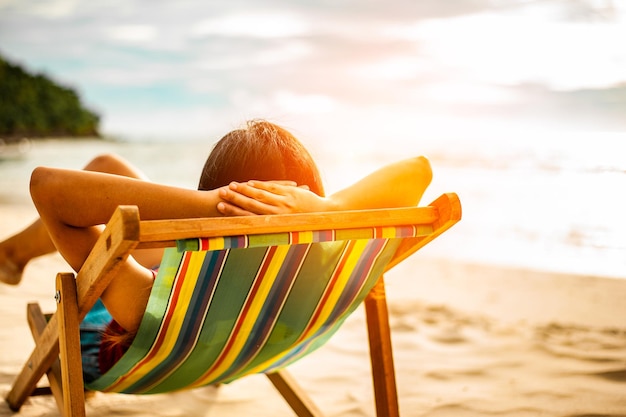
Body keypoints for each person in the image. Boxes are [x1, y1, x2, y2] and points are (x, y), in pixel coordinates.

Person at [0, 119, 432, 380]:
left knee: (105, 176)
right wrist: (326, 209)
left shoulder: (150, 305)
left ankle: (12, 256)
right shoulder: (313, 272)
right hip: (241, 329)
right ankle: (13, 255)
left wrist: (217, 207)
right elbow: (419, 172)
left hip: (138, 343)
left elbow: (47, 188)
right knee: (111, 170)